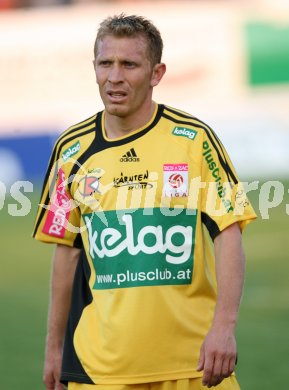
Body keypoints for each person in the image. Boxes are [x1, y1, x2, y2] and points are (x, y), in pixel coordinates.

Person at [33, 14, 256, 390]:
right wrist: (54, 350)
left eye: (129, 64)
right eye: (106, 63)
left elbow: (229, 232)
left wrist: (224, 328)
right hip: (100, 371)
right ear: (94, 68)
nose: (114, 77)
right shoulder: (70, 150)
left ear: (156, 73)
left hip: (193, 365)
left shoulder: (193, 140)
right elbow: (66, 254)